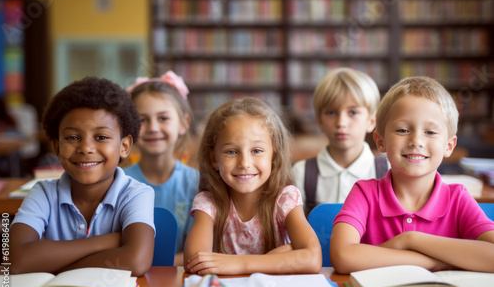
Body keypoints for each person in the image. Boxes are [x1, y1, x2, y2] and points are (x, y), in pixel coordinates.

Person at [330, 76, 494, 274]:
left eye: (431, 132)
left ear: (449, 146)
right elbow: (342, 257)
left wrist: (410, 239)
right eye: (402, 130)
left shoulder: (457, 198)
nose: (416, 140)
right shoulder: (364, 193)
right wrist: (435, 262)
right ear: (380, 141)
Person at [10, 77, 155, 276]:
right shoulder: (43, 193)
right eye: (72, 138)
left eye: (101, 137)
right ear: (58, 147)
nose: (86, 148)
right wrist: (108, 241)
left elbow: (136, 261)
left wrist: (52, 266)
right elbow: (17, 260)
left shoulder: (136, 194)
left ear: (124, 146)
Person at [184, 97, 322, 275]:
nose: (245, 163)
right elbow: (194, 262)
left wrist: (239, 264)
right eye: (231, 152)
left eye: (256, 151)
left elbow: (312, 258)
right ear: (214, 159)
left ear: (273, 156)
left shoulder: (285, 198)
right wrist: (283, 255)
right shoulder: (208, 201)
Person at [124, 71, 199, 266]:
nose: (153, 128)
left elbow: (198, 253)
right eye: (142, 120)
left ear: (184, 123)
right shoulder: (118, 182)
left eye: (163, 118)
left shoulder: (197, 184)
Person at [292, 68, 386, 215]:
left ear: (371, 121)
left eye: (353, 112)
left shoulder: (389, 171)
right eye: (331, 113)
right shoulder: (301, 173)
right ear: (320, 121)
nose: (341, 122)